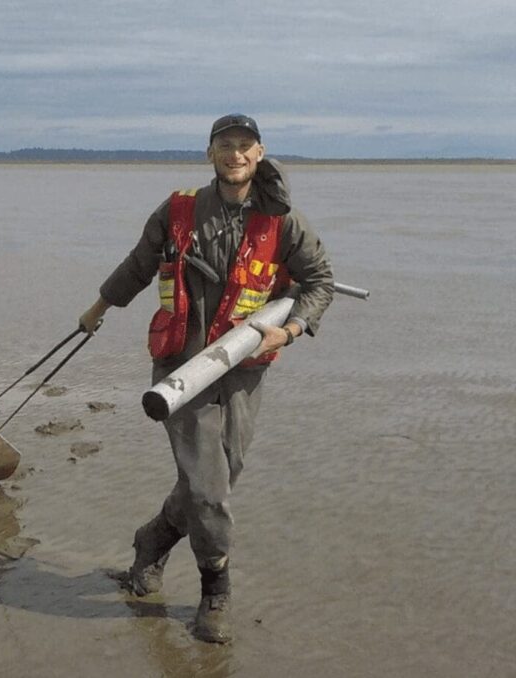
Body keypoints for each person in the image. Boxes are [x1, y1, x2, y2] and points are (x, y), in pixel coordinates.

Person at [79, 114, 334, 643]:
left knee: (222, 475)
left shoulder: (284, 222)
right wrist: (97, 308)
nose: (235, 154)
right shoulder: (177, 211)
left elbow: (319, 281)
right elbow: (137, 265)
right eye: (225, 146)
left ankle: (151, 540)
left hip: (243, 368)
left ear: (259, 153)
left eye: (245, 146)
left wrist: (288, 332)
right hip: (180, 370)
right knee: (208, 486)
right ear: (209, 153)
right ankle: (215, 592)